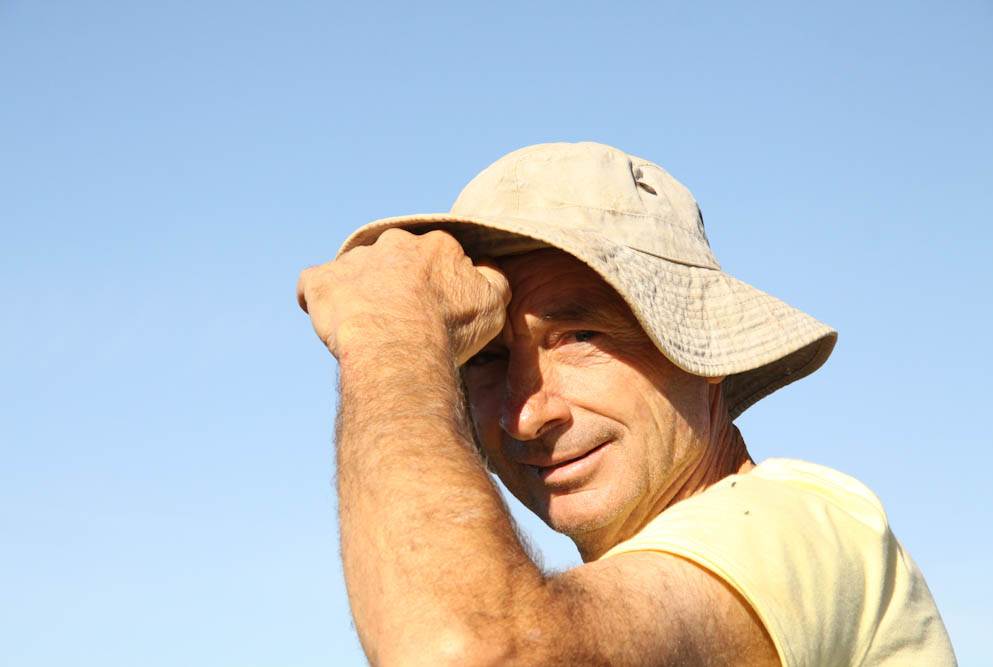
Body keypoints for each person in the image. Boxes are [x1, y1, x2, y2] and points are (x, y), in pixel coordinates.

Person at [297, 142, 955, 665]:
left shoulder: (799, 525)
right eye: (488, 359)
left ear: (704, 352)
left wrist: (393, 333)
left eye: (581, 336)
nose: (526, 415)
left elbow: (464, 651)